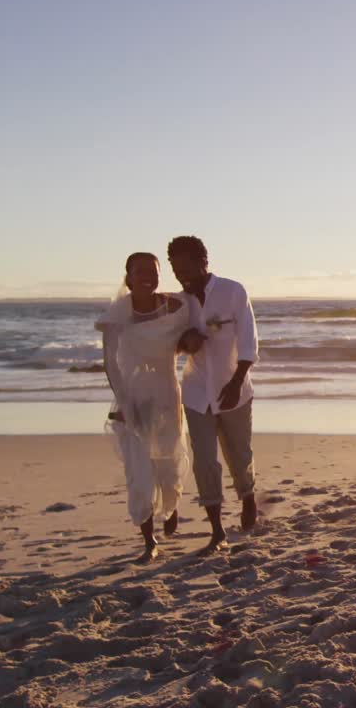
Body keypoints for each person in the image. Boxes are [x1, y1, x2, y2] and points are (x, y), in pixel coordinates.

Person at [96, 252, 205, 563]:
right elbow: (111, 364)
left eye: (153, 271)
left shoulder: (178, 306)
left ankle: (171, 506)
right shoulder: (118, 314)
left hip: (168, 394)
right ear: (128, 277)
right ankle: (149, 540)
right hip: (134, 397)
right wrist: (124, 402)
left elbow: (192, 332)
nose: (147, 276)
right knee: (139, 472)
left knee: (169, 463)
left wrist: (193, 340)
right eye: (139, 271)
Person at [167, 236, 260, 555]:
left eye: (186, 268)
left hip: (234, 387)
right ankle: (217, 529)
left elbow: (249, 342)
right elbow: (172, 346)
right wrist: (185, 341)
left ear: (202, 261)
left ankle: (247, 497)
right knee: (205, 462)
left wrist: (236, 382)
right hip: (196, 392)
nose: (182, 276)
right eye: (175, 270)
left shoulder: (233, 290)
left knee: (239, 454)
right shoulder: (179, 303)